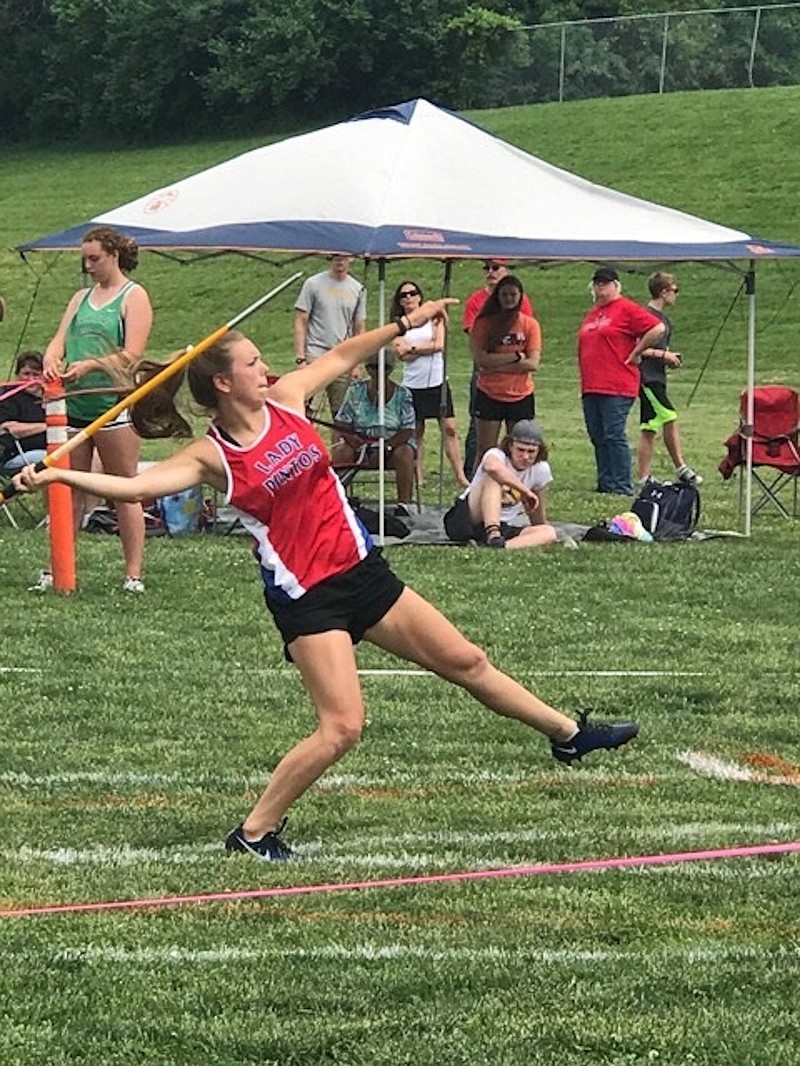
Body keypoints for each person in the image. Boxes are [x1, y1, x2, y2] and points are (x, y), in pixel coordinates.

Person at [14, 299, 640, 861]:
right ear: (226, 381)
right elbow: (136, 485)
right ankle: (254, 832)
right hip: (305, 597)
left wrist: (403, 324)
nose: (268, 369)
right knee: (342, 727)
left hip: (360, 570)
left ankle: (568, 735)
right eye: (255, 363)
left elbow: (341, 354)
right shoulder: (213, 455)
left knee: (467, 659)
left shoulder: (286, 400)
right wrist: (61, 477)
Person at [39, 225, 153, 593]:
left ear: (113, 256)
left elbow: (133, 355)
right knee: (67, 490)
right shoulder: (80, 298)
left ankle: (133, 574)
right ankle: (57, 569)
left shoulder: (133, 297)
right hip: (73, 405)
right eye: (84, 259)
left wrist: (91, 365)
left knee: (123, 490)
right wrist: (52, 362)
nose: (88, 266)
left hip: (113, 405)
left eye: (95, 259)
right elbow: (57, 343)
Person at [577, 267, 665, 496]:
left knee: (613, 433)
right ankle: (605, 481)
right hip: (591, 383)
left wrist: (638, 350)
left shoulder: (625, 308)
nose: (600, 288)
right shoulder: (593, 313)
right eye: (597, 283)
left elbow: (657, 328)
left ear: (616, 285)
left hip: (617, 382)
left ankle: (621, 484)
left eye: (605, 283)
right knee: (597, 434)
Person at [389, 280, 468, 489]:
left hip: (437, 381)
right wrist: (425, 346)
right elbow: (400, 354)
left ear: (419, 296)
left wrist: (412, 346)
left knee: (450, 428)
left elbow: (439, 345)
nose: (408, 298)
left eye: (412, 293)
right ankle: (418, 476)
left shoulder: (434, 316)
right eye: (403, 295)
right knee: (416, 432)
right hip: (412, 384)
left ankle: (460, 475)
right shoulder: (398, 324)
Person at [462, 260, 533, 478]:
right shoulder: (484, 320)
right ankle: (475, 492)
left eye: (513, 295)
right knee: (485, 448)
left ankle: (514, 489)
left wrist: (497, 363)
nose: (509, 299)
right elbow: (481, 358)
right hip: (489, 391)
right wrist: (515, 357)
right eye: (505, 295)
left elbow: (532, 363)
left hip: (520, 393)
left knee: (518, 448)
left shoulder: (529, 323)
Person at [633, 272, 703, 487]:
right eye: (674, 290)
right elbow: (636, 349)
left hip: (658, 377)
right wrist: (664, 356)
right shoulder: (645, 316)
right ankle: (680, 468)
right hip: (646, 378)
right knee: (669, 417)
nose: (676, 295)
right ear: (663, 292)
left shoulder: (665, 320)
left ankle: (644, 476)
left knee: (649, 427)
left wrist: (669, 358)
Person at [444, 419, 557, 549]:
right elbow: (492, 468)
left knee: (549, 532)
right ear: (510, 446)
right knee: (494, 478)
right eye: (520, 450)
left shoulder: (541, 469)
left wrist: (542, 527)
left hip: (503, 524)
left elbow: (537, 511)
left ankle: (501, 547)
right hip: (467, 518)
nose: (525, 456)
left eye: (531, 452)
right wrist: (525, 491)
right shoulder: (496, 455)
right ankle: (493, 534)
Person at [330, 350, 417, 505]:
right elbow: (342, 424)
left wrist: (388, 447)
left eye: (384, 367)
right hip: (360, 446)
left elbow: (408, 429)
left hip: (392, 446)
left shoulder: (403, 394)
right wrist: (358, 445)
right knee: (341, 451)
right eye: (374, 367)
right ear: (368, 368)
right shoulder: (355, 391)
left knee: (405, 452)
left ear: (390, 370)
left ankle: (404, 504)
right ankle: (337, 502)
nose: (378, 371)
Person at [294, 253, 367, 428]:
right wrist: (301, 358)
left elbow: (360, 328)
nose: (339, 261)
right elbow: (301, 320)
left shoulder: (358, 289)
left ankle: (341, 451)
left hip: (342, 359)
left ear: (350, 259)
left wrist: (357, 363)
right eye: (335, 257)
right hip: (315, 356)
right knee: (308, 412)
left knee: (343, 415)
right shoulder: (313, 284)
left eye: (343, 257)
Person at [0, 351, 46, 472]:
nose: (31, 379)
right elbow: (7, 429)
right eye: (26, 374)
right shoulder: (8, 396)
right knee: (52, 458)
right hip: (15, 456)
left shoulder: (51, 398)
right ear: (17, 374)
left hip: (52, 449)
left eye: (36, 375)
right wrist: (48, 426)